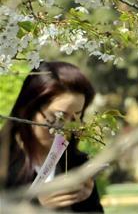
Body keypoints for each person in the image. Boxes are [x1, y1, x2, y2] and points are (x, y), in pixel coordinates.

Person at [0, 61, 103, 212]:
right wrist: (35, 206)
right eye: (58, 117)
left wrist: (86, 202)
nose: (65, 128)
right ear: (28, 109)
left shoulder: (76, 162)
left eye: (75, 118)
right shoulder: (3, 159)